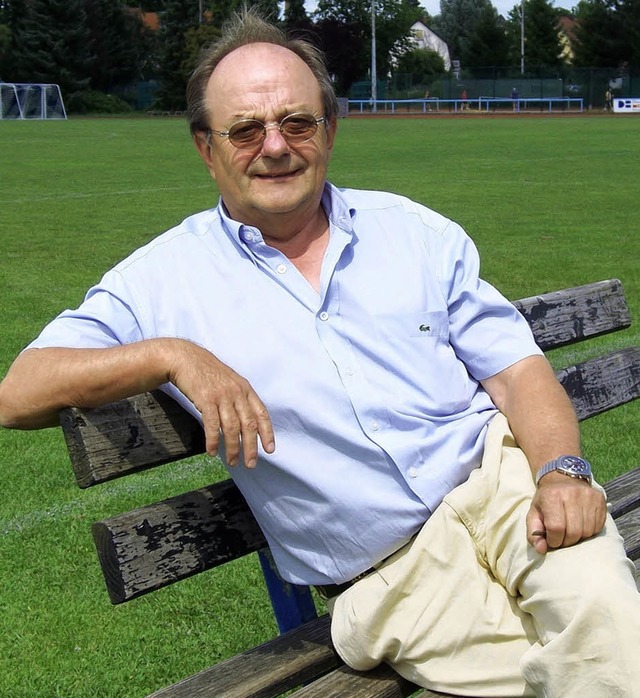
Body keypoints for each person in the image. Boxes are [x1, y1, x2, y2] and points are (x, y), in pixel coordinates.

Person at [1, 11, 639, 697]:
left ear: (328, 131)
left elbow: (517, 372)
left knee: (602, 621)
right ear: (205, 148)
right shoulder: (160, 281)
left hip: (508, 490)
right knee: (574, 671)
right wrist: (170, 354)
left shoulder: (415, 233)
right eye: (245, 129)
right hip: (393, 579)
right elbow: (19, 392)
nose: (274, 145)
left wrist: (563, 473)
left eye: (296, 122)